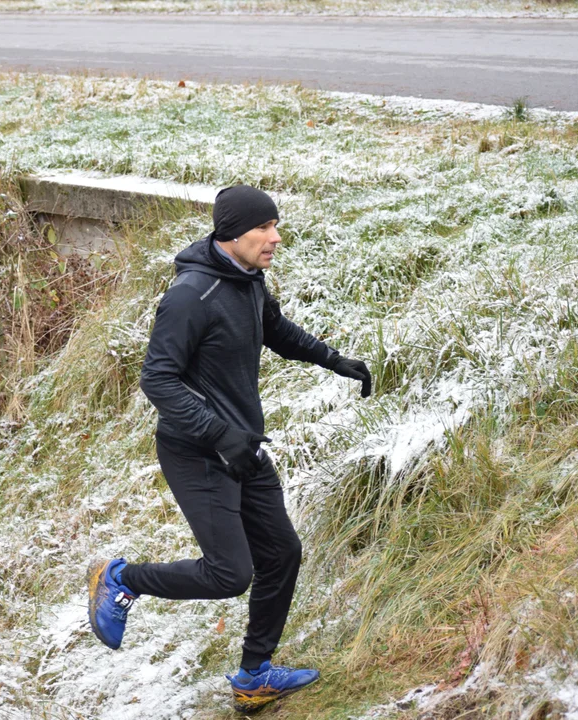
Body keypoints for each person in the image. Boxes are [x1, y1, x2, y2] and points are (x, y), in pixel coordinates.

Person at [87, 185, 372, 713]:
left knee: (281, 553)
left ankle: (254, 675)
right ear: (232, 233)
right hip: (197, 452)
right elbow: (158, 380)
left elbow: (275, 330)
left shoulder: (247, 281)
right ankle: (121, 578)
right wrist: (218, 432)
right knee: (229, 574)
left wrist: (335, 361)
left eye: (275, 225)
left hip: (243, 447)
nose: (275, 237)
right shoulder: (190, 296)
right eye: (264, 228)